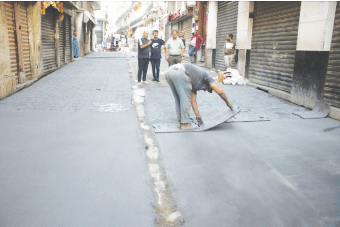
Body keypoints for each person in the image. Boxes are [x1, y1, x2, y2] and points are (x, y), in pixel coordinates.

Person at [165, 63, 233, 130]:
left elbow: (193, 101)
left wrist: (198, 116)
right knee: (185, 98)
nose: (205, 91)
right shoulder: (208, 79)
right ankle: (185, 124)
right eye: (207, 90)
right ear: (208, 86)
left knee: (178, 98)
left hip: (169, 71)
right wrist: (228, 103)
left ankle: (180, 121)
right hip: (180, 73)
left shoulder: (195, 81)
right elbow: (220, 92)